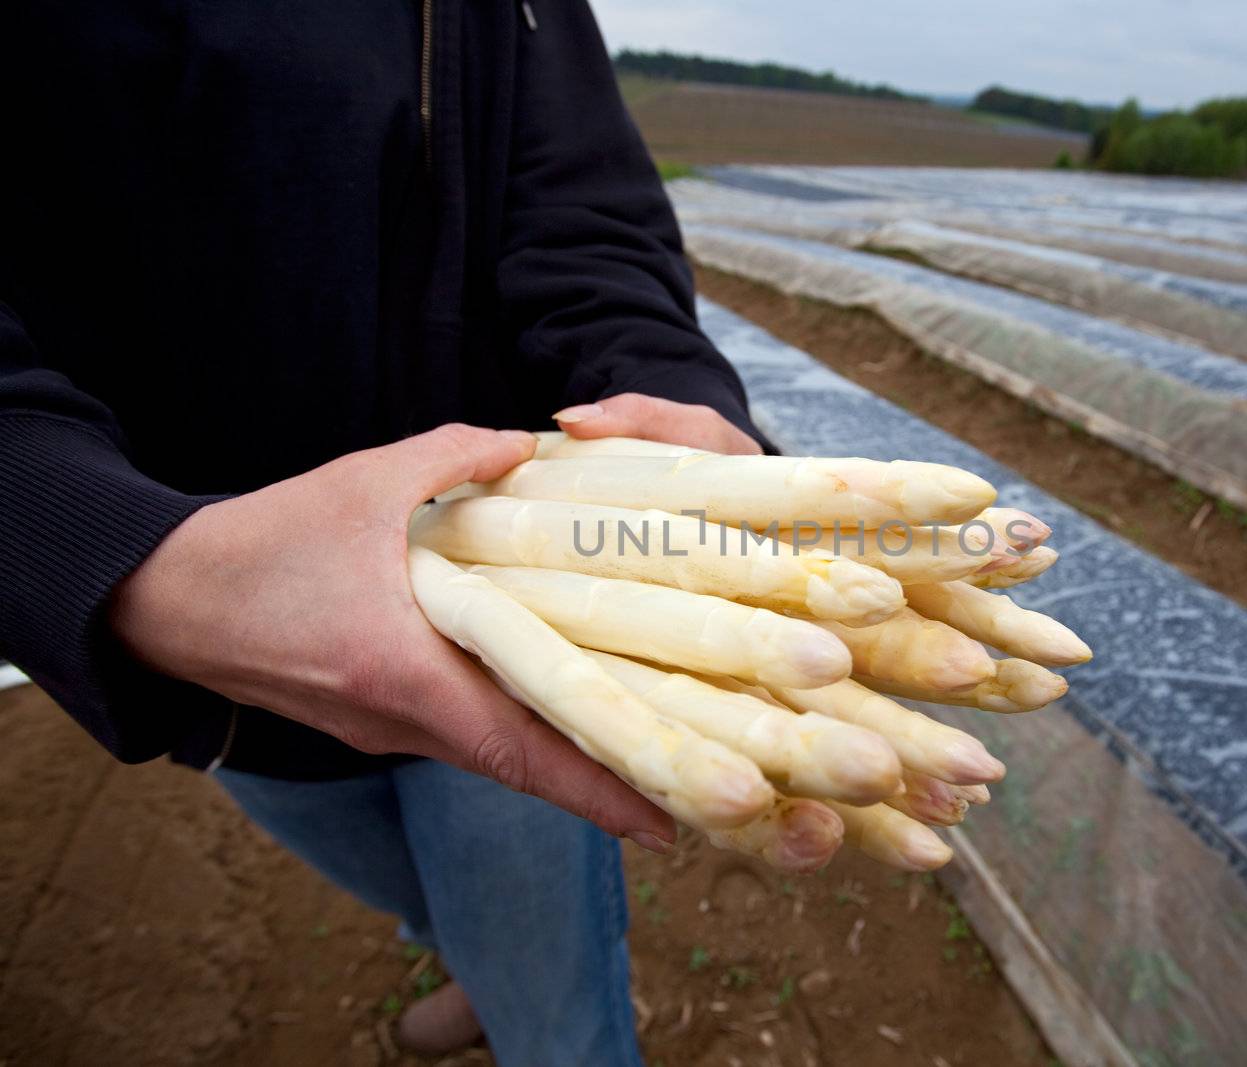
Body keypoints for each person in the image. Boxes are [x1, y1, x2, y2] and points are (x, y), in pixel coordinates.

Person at [0, 2, 770, 1062]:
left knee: (554, 1003)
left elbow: (584, 215)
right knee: (401, 876)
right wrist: (121, 555)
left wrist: (663, 390)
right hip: (218, 640)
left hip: (521, 621)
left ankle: (519, 997)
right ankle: (464, 952)